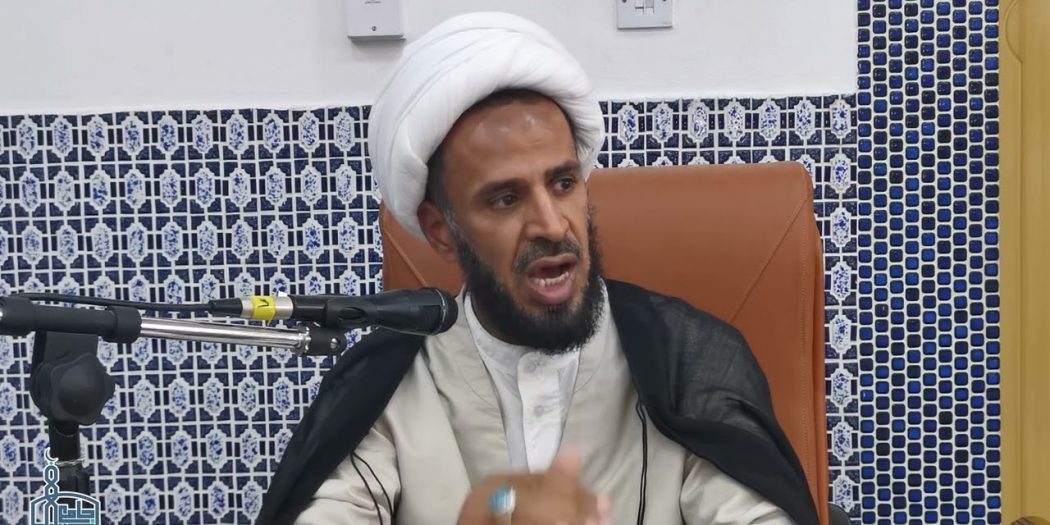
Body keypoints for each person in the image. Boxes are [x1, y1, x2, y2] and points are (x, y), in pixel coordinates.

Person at [260, 12, 818, 525]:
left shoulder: (685, 364)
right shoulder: (391, 381)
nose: (552, 225)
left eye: (564, 183)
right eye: (505, 199)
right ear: (440, 231)